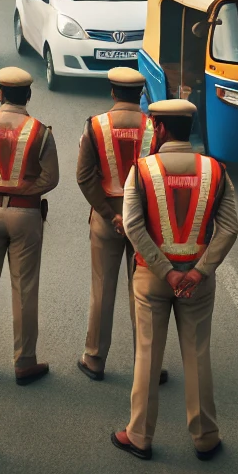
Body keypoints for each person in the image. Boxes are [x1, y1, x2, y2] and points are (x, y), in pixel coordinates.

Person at [112, 99, 238, 462]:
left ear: (161, 129)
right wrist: (197, 271)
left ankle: (139, 436)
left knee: (148, 355)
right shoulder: (215, 171)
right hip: (198, 282)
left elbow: (133, 225)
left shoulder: (143, 169)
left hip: (152, 279)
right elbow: (229, 229)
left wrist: (165, 271)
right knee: (198, 355)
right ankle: (205, 438)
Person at [0, 68, 58, 384]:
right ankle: (25, 362)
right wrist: (21, 189)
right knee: (25, 289)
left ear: (0, 94)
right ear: (28, 96)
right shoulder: (40, 132)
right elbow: (51, 178)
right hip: (26, 216)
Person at [77, 67, 166, 385]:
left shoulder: (96, 125)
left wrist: (107, 212)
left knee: (102, 289)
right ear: (141, 94)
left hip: (106, 219)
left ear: (113, 93)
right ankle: (149, 364)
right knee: (144, 294)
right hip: (143, 222)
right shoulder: (154, 129)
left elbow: (85, 176)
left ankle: (95, 358)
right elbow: (160, 176)